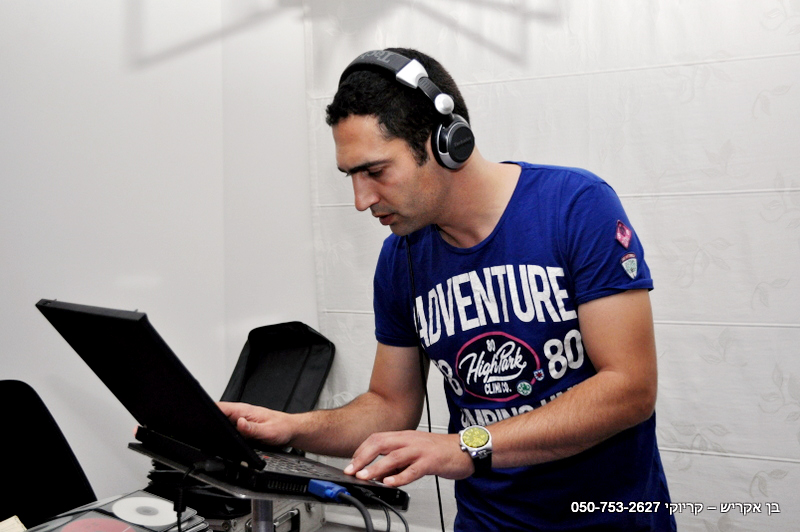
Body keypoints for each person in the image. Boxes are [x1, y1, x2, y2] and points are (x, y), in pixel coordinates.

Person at [219, 47, 675, 531]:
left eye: (375, 171)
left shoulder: (575, 207)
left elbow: (629, 388)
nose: (361, 200)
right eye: (351, 176)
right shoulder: (400, 259)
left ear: (445, 143)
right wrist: (292, 426)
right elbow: (390, 405)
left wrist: (466, 447)